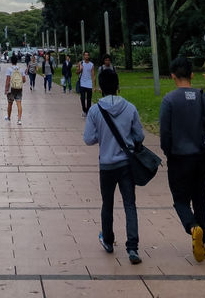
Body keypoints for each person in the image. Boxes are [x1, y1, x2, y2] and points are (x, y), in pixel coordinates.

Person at [160, 54, 205, 262]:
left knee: (180, 200)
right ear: (192, 74)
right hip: (202, 157)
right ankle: (201, 242)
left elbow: (165, 134)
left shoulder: (169, 100)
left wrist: (169, 153)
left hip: (179, 158)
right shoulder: (204, 97)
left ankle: (193, 227)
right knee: (200, 198)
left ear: (172, 76)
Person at [83, 66, 143, 265]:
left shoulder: (94, 110)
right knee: (130, 204)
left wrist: (103, 135)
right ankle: (132, 247)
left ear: (100, 87)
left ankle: (108, 240)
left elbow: (89, 139)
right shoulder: (130, 107)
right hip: (126, 164)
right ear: (118, 86)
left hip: (106, 165)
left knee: (107, 204)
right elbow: (140, 136)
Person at [4, 53, 26, 125]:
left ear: (11, 61)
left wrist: (6, 89)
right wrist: (19, 82)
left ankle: (9, 117)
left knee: (10, 103)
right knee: (19, 103)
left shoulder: (9, 69)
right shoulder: (21, 69)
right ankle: (19, 120)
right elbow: (24, 80)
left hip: (11, 88)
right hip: (19, 88)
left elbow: (8, 80)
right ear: (17, 61)